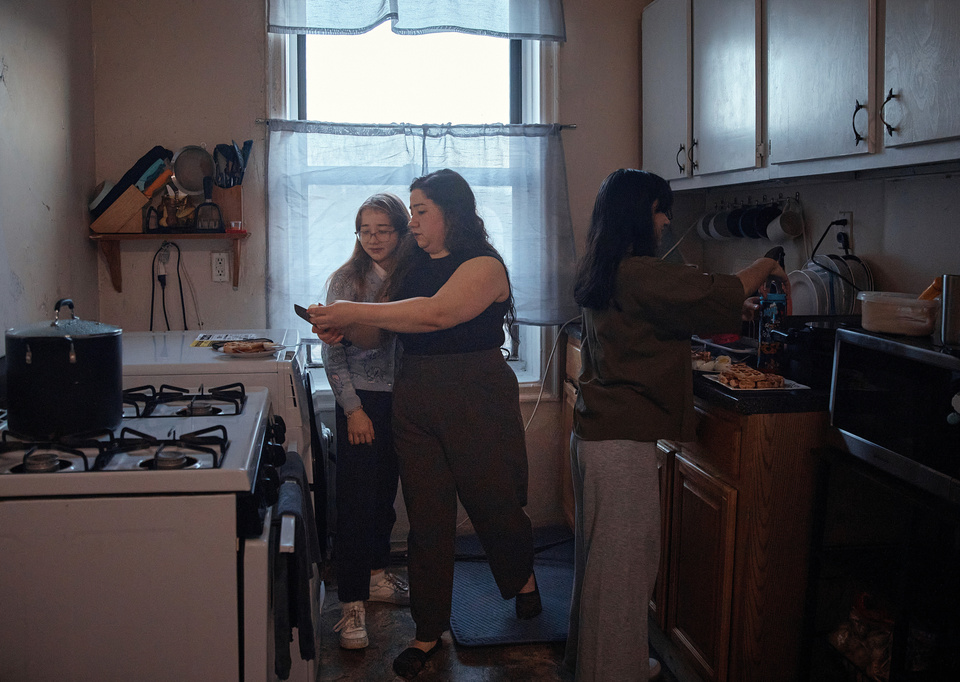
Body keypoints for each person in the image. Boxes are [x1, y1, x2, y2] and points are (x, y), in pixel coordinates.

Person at [309, 169, 540, 680]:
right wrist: (342, 332)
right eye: (411, 211)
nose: (410, 222)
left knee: (493, 503)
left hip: (475, 391)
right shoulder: (411, 266)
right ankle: (428, 631)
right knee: (427, 519)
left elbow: (436, 315)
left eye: (419, 211)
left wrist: (348, 309)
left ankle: (522, 578)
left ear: (450, 213)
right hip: (415, 394)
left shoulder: (483, 265)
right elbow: (386, 332)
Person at [566, 169, 788, 681]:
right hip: (620, 444)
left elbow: (665, 315)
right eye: (661, 209)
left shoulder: (610, 266)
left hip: (599, 435)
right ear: (640, 214)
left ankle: (603, 665)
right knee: (625, 573)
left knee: (603, 569)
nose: (666, 220)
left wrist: (734, 303)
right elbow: (724, 287)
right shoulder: (642, 271)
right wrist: (770, 260)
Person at [321, 193, 413, 651]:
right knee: (356, 503)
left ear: (401, 231)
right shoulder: (346, 280)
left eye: (383, 229)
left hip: (407, 402)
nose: (373, 238)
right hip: (361, 404)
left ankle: (377, 576)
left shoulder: (414, 277)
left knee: (382, 498)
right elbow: (331, 351)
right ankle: (351, 605)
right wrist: (353, 408)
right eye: (365, 230)